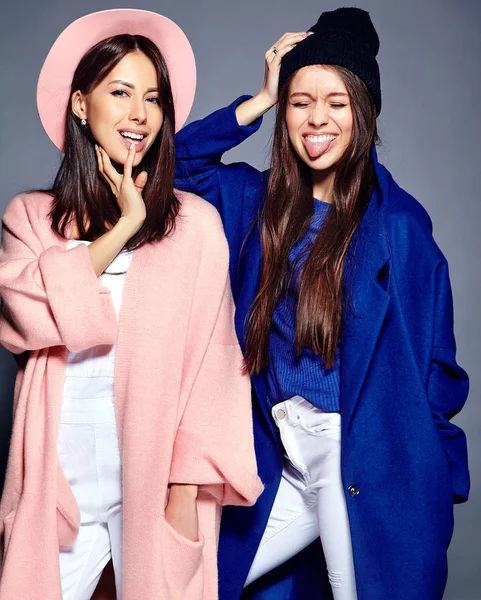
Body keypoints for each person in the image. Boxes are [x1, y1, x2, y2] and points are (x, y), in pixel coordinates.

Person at [174, 7, 469, 600]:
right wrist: (258, 97)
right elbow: (175, 167)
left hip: (355, 461)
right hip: (277, 456)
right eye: (299, 100)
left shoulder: (399, 227)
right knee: (191, 584)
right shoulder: (255, 204)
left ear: (363, 112)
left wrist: (434, 477)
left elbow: (436, 366)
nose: (317, 119)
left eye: (337, 102)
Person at [0, 9, 262, 600]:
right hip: (55, 477)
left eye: (152, 97)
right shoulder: (32, 220)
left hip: (146, 476)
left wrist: (185, 491)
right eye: (119, 92)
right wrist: (122, 230)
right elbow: (21, 316)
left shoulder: (195, 225)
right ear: (79, 103)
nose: (139, 114)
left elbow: (213, 369)